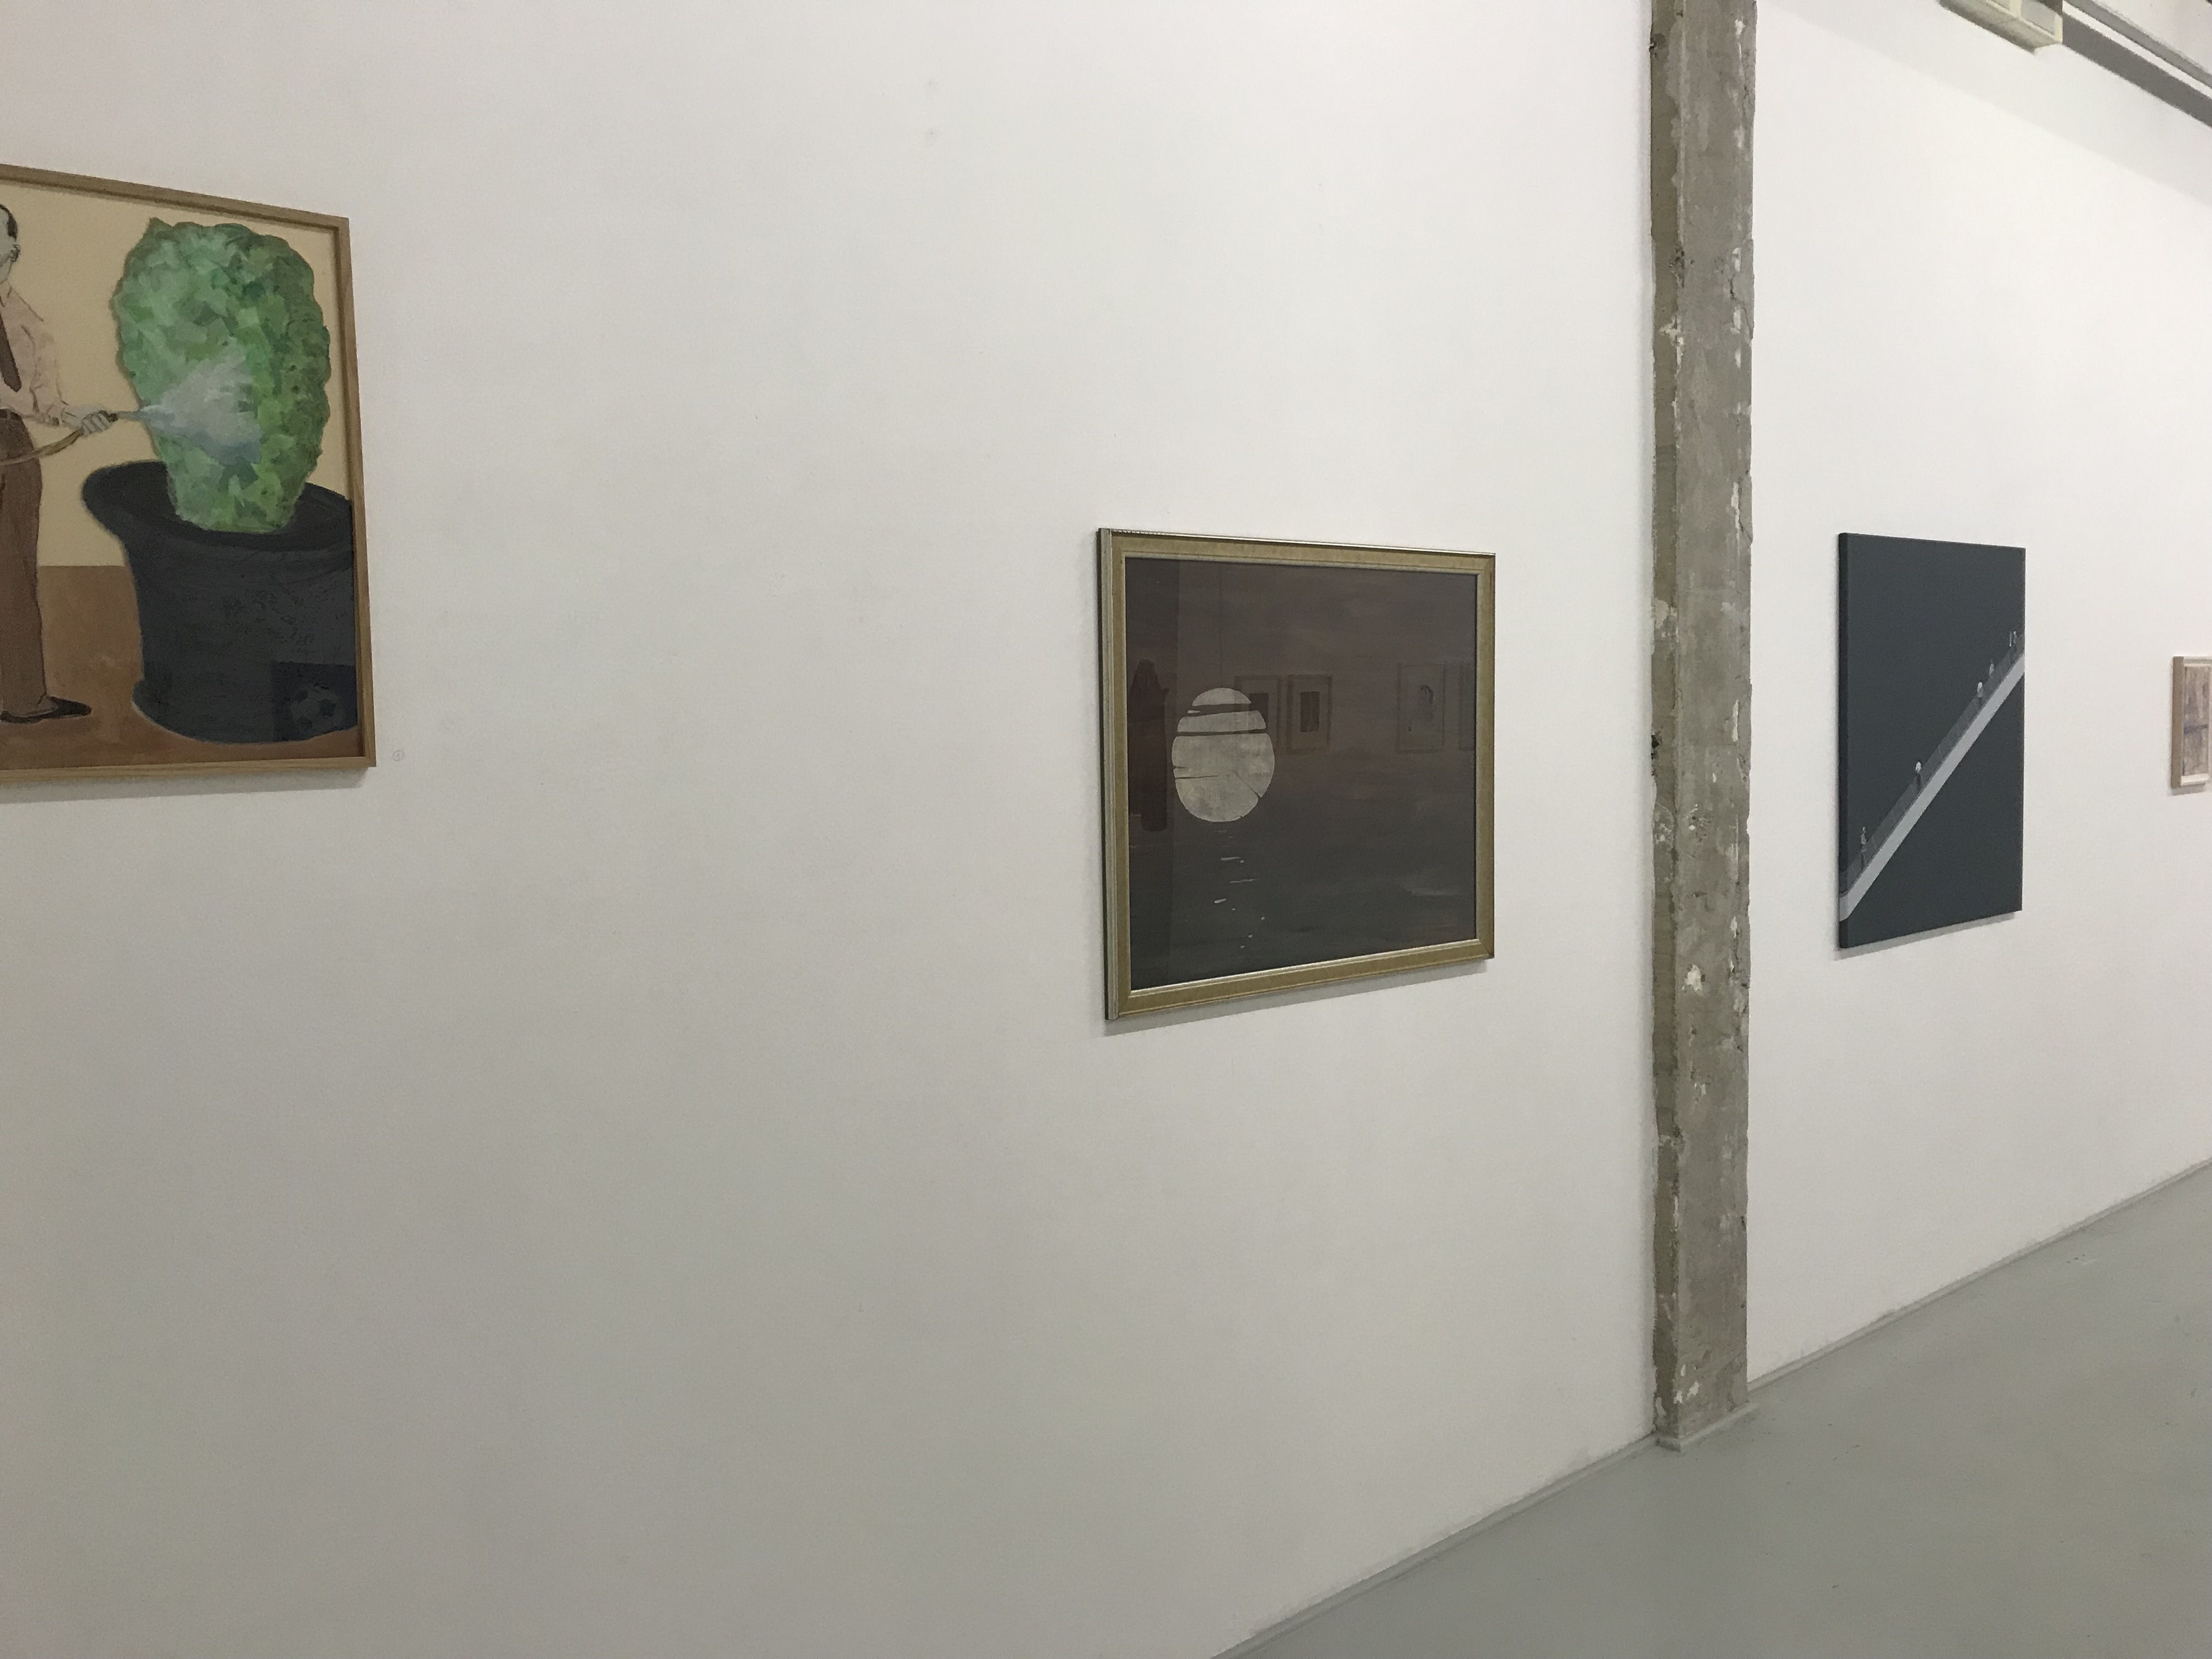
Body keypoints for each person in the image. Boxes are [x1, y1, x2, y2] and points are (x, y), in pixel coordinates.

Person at [0, 202, 111, 724]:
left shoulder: (27, 321)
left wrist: (74, 415)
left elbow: (44, 399)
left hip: (13, 447)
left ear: (13, 249)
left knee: (14, 575)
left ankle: (23, 698)